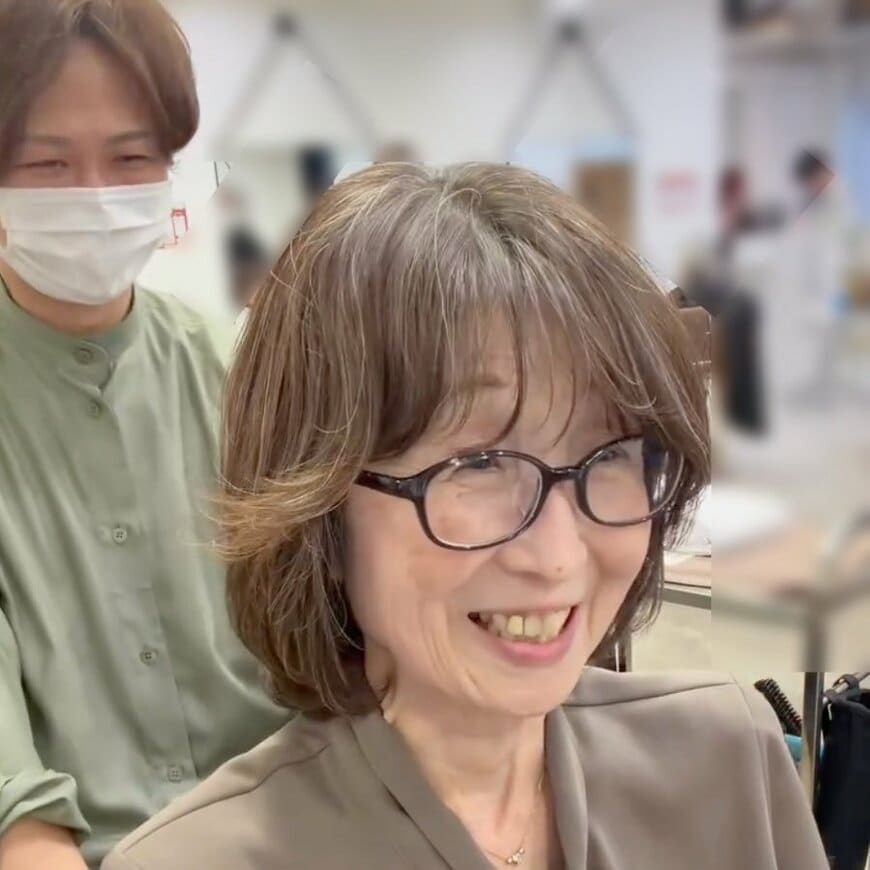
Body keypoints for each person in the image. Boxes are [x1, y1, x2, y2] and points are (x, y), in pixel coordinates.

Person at [103, 163, 829, 870]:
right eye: (479, 464)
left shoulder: (728, 762)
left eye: (609, 453)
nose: (556, 556)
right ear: (319, 502)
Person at [0, 3, 289, 869]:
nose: (92, 196)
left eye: (129, 160)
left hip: (288, 818)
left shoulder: (239, 375)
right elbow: (20, 817)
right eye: (47, 163)